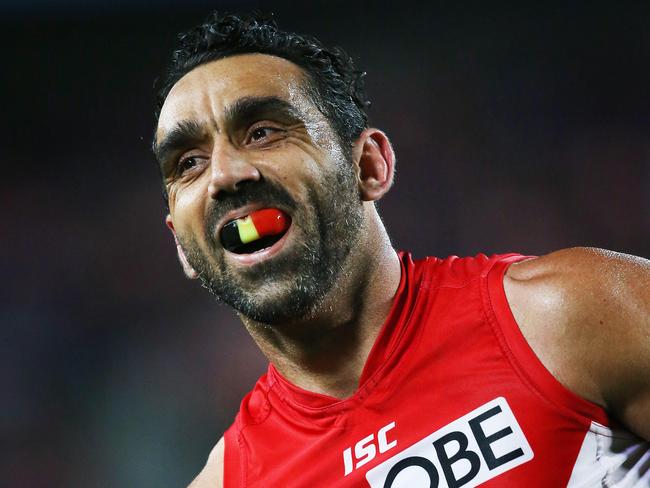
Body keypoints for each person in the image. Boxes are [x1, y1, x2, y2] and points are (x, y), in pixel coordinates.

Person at [152, 12, 649, 488]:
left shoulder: (575, 312)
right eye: (189, 162)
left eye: (262, 132)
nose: (224, 175)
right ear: (181, 243)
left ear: (369, 166)